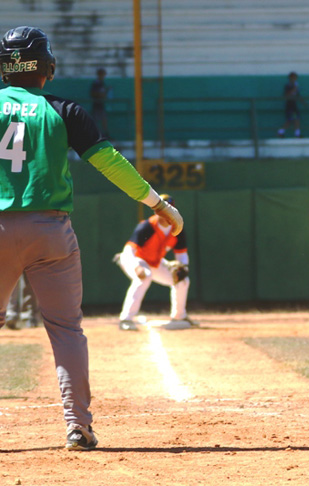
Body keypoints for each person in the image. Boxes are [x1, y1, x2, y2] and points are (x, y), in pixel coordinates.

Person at [0, 26, 183, 451]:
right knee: (66, 329)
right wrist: (158, 204)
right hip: (50, 231)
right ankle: (78, 426)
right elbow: (111, 163)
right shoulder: (65, 110)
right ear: (47, 66)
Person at [116, 193, 197, 331]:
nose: (166, 212)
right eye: (163, 208)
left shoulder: (176, 228)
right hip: (133, 259)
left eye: (169, 208)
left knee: (183, 280)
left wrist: (182, 267)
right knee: (144, 276)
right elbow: (129, 250)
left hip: (155, 262)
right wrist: (136, 267)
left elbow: (181, 254)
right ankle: (126, 319)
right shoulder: (147, 226)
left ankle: (179, 316)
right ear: (156, 210)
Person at [277, 71, 305, 138]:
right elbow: (286, 95)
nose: (294, 79)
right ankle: (280, 132)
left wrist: (303, 102)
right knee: (290, 120)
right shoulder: (288, 86)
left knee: (297, 119)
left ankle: (297, 134)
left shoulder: (296, 86)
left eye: (295, 78)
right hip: (289, 104)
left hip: (294, 104)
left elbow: (298, 95)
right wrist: (294, 89)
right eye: (293, 78)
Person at [89, 67, 110, 138]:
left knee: (103, 119)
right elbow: (93, 93)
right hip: (97, 104)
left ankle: (104, 134)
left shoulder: (101, 83)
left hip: (100, 104)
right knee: (96, 120)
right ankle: (96, 135)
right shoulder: (96, 83)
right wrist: (101, 95)